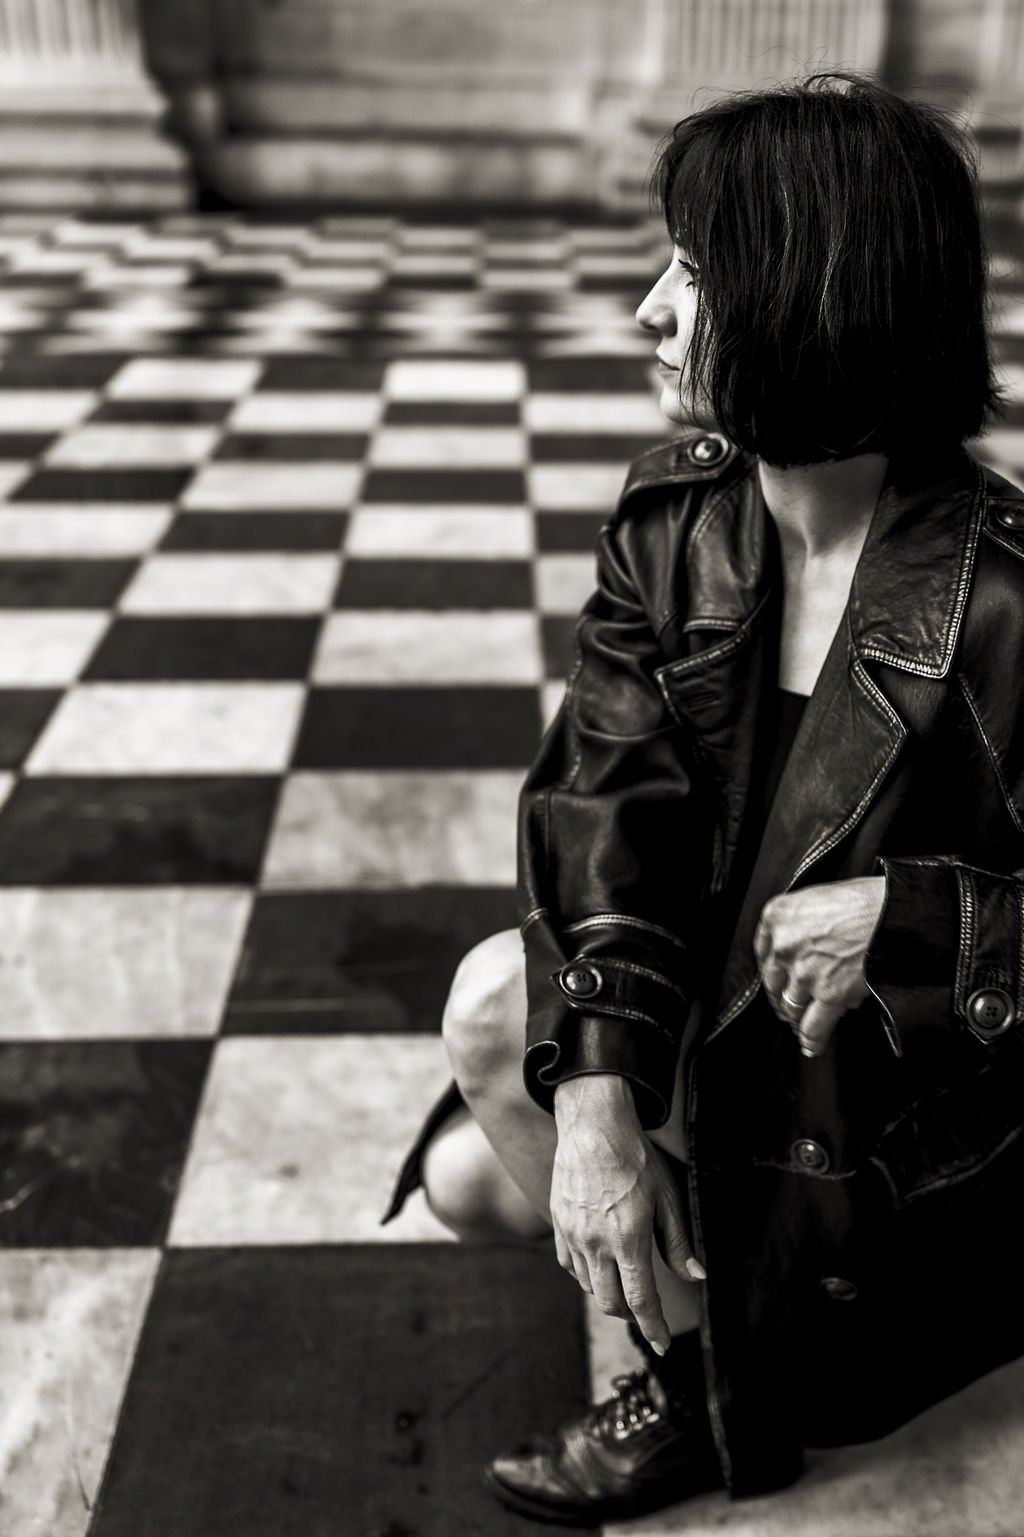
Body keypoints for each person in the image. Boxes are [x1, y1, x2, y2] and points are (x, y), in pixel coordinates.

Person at [381, 72, 1024, 1526]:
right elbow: (605, 801)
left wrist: (910, 925)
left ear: (823, 299)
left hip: (893, 1118)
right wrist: (599, 1102)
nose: (649, 311)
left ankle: (723, 1386)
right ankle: (734, 1317)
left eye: (697, 274)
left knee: (495, 1047)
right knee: (479, 1163)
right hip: (734, 1039)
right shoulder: (679, 519)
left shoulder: (1009, 599)